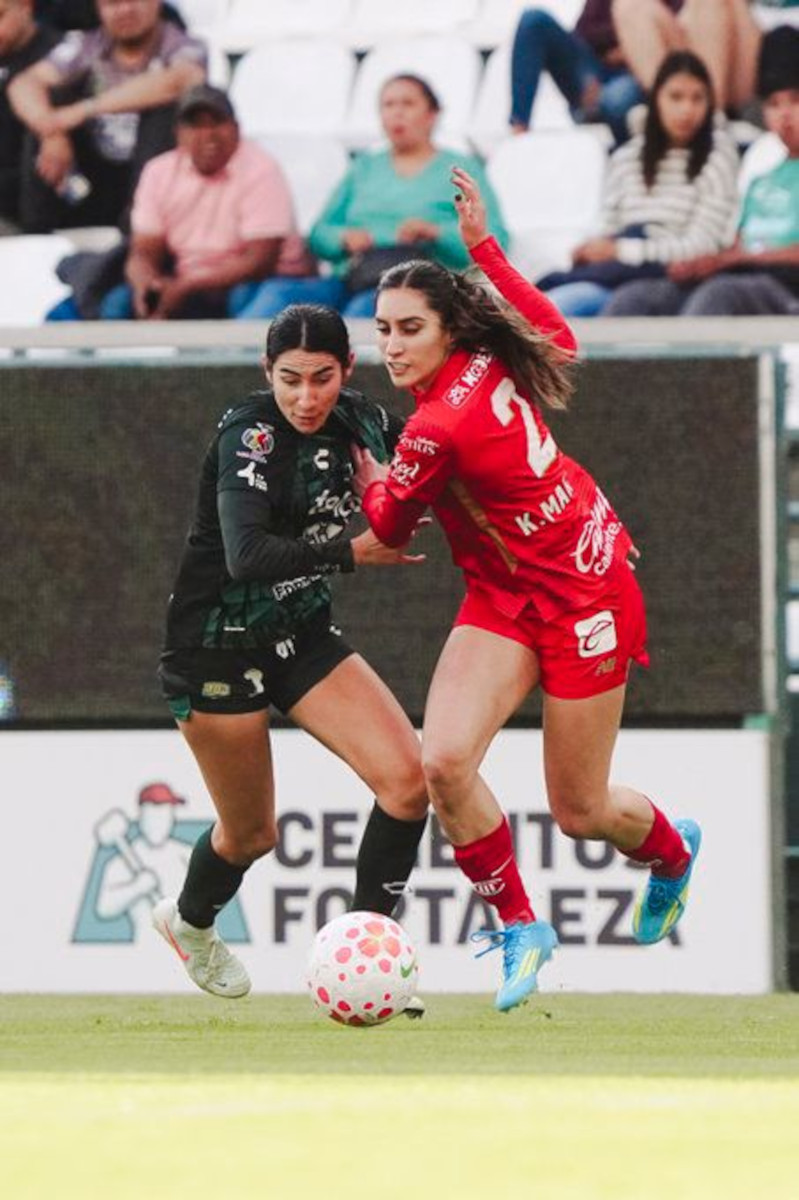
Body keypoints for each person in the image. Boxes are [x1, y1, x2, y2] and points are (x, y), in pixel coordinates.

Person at [352, 166, 701, 1014]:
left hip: (588, 593)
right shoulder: (479, 356)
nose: (390, 346)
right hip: (505, 597)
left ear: (445, 333)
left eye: (407, 330)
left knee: (579, 811)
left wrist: (363, 470)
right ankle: (519, 926)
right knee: (440, 760)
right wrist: (483, 249)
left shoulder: (435, 426)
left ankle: (670, 853)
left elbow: (388, 529)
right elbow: (561, 337)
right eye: (382, 329)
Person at [151, 304, 430, 999]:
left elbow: (436, 469)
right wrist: (352, 551)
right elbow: (245, 557)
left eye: (322, 378)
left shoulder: (361, 420)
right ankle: (189, 923)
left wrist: (394, 490)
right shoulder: (249, 435)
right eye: (290, 379)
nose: (306, 397)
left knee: (407, 784)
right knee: (250, 837)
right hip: (215, 646)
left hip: (298, 635)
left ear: (347, 371)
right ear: (265, 373)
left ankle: (365, 961)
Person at [235, 73, 509, 321]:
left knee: (363, 312)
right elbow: (320, 233)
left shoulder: (461, 168)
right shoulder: (364, 167)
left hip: (418, 284)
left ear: (432, 114)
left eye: (408, 104)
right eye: (388, 105)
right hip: (355, 275)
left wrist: (436, 232)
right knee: (277, 297)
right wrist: (343, 238)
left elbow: (494, 238)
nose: (397, 113)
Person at [604, 24, 799, 316]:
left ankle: (686, 365)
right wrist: (707, 262)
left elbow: (747, 255)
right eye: (773, 104)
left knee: (716, 298)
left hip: (785, 287)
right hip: (740, 275)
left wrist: (733, 260)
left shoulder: (722, 160)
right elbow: (738, 243)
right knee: (634, 299)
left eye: (795, 100)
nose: (784, 115)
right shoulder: (763, 177)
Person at [537, 50, 739, 317]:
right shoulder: (627, 157)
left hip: (669, 278)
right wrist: (593, 249)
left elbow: (703, 245)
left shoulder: (718, 157)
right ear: (656, 99)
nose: (686, 110)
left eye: (697, 98)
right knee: (537, 307)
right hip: (614, 272)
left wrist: (621, 251)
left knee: (575, 307)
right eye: (676, 97)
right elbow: (608, 225)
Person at [88, 84, 313, 320]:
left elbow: (259, 261)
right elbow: (144, 250)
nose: (208, 134)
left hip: (261, 280)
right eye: (195, 125)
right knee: (119, 302)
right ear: (178, 134)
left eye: (216, 123)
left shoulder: (261, 169)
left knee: (246, 301)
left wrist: (186, 286)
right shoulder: (159, 171)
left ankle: (235, 357)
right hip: (191, 279)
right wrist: (147, 284)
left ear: (236, 129)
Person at [8, 0, 206, 232]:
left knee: (166, 113)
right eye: (113, 3)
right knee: (49, 103)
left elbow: (176, 81)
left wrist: (83, 110)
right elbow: (23, 83)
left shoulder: (184, 45)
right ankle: (38, 234)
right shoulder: (86, 44)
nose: (125, 10)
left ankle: (139, 232)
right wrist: (50, 130)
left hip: (155, 184)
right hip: (94, 178)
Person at [509, 0, 656, 145]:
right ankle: (519, 130)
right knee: (534, 20)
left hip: (640, 74)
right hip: (595, 67)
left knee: (616, 98)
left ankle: (627, 152)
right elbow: (584, 30)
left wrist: (631, 50)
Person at [612, 0, 763, 115]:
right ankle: (668, 116)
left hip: (739, 67)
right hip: (657, 64)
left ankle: (711, 119)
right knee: (631, 5)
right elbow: (595, 30)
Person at [0, 0, 59, 232]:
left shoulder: (62, 58)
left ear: (26, 7)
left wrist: (53, 131)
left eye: (1, 15)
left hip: (35, 210)